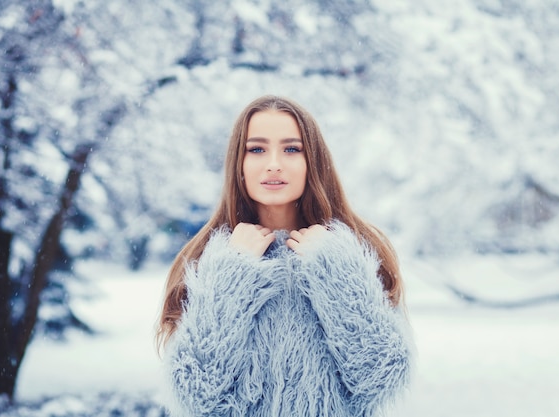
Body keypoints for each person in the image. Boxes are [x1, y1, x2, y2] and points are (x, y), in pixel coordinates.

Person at [156, 95, 413, 417]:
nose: (273, 163)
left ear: (313, 162)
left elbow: (379, 377)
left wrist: (335, 269)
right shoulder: (206, 258)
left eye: (292, 149)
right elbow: (196, 391)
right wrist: (231, 276)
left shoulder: (355, 251)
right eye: (257, 149)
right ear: (239, 163)